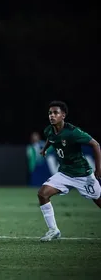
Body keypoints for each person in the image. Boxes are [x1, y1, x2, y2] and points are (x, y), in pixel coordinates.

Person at [38, 101, 101, 242]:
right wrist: (45, 149)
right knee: (42, 194)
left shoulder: (73, 132)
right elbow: (51, 138)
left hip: (83, 174)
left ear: (63, 115)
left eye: (55, 113)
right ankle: (53, 230)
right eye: (50, 113)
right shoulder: (49, 130)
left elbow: (95, 144)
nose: (52, 115)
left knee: (98, 199)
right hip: (64, 173)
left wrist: (98, 169)